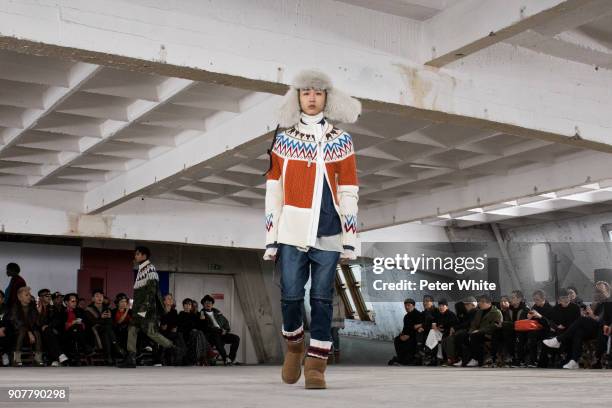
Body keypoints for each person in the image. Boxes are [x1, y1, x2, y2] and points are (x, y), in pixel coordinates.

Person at [262, 69, 361, 389]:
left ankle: (317, 363)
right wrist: (271, 237)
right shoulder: (284, 138)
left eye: (318, 93)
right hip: (291, 231)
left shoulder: (341, 140)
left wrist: (350, 240)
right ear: (298, 97)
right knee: (290, 296)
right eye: (306, 92)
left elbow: (349, 190)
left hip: (329, 231)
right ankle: (293, 347)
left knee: (321, 299)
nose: (312, 98)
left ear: (327, 98)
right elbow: (273, 190)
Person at [119, 246, 175, 368]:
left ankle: (174, 349)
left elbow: (152, 291)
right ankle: (131, 357)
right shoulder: (141, 269)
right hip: (139, 308)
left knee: (151, 333)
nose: (136, 256)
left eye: (138, 254)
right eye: (136, 254)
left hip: (147, 309)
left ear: (144, 256)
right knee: (132, 329)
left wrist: (144, 309)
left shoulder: (150, 269)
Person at [460, 294, 502, 367]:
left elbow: (495, 326)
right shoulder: (479, 312)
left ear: (488, 303)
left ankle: (478, 359)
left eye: (482, 302)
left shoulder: (496, 312)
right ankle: (466, 359)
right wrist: (471, 332)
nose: (479, 303)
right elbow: (473, 324)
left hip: (489, 334)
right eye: (479, 301)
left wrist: (480, 331)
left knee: (475, 337)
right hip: (478, 332)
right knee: (463, 336)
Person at [85, 289, 125, 365]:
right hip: (93, 332)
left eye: (101, 296)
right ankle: (117, 348)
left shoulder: (107, 309)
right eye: (97, 296)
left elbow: (112, 323)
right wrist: (101, 318)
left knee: (107, 331)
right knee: (107, 330)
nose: (99, 298)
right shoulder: (88, 309)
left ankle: (108, 357)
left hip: (106, 331)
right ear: (93, 298)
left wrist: (109, 318)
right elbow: (91, 323)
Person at [200, 295, 240, 365]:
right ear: (203, 305)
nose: (208, 304)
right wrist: (220, 331)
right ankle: (225, 358)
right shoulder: (201, 314)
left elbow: (226, 322)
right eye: (206, 303)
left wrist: (226, 330)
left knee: (236, 338)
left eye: (209, 302)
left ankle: (230, 358)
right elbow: (206, 327)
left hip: (222, 333)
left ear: (212, 304)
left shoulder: (217, 312)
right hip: (211, 336)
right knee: (216, 337)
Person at [10, 286, 43, 366]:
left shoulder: (32, 307)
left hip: (30, 332)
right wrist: (28, 332)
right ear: (20, 297)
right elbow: (17, 323)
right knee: (22, 331)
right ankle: (16, 358)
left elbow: (37, 323)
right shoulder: (15, 307)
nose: (29, 297)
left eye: (29, 294)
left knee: (37, 332)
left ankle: (37, 358)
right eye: (26, 295)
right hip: (16, 333)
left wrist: (39, 313)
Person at [59, 293, 93, 366]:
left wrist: (81, 322)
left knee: (76, 328)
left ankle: (77, 357)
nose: (75, 303)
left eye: (76, 301)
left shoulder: (80, 311)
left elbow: (88, 322)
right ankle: (85, 348)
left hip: (80, 333)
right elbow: (60, 326)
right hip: (66, 334)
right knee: (75, 328)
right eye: (72, 301)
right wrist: (72, 323)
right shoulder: (62, 312)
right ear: (66, 302)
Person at [37, 288, 68, 366]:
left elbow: (57, 320)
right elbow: (34, 322)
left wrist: (49, 326)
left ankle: (54, 359)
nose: (49, 297)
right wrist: (39, 312)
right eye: (46, 295)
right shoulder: (35, 307)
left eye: (50, 295)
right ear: (40, 297)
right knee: (49, 333)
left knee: (51, 332)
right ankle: (59, 355)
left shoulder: (52, 308)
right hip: (37, 331)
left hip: (49, 330)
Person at [389, 298, 422, 366]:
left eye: (409, 305)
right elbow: (405, 328)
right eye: (405, 306)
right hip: (406, 335)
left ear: (413, 306)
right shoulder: (406, 317)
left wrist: (408, 335)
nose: (407, 307)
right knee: (397, 340)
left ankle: (407, 360)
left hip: (414, 336)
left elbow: (418, 328)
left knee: (408, 342)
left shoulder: (418, 315)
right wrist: (402, 334)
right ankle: (401, 358)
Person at [448, 296, 478, 366]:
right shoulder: (468, 313)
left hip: (473, 331)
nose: (465, 306)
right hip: (468, 331)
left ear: (473, 305)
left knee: (460, 335)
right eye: (465, 305)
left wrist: (455, 328)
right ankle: (463, 359)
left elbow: (469, 324)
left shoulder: (474, 311)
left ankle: (466, 359)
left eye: (467, 304)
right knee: (458, 336)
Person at [330, 288, 346, 363]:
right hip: (327, 321)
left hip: (336, 322)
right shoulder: (324, 297)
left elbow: (342, 310)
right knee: (328, 336)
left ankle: (336, 349)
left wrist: (342, 323)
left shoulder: (338, 298)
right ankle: (329, 348)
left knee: (335, 335)